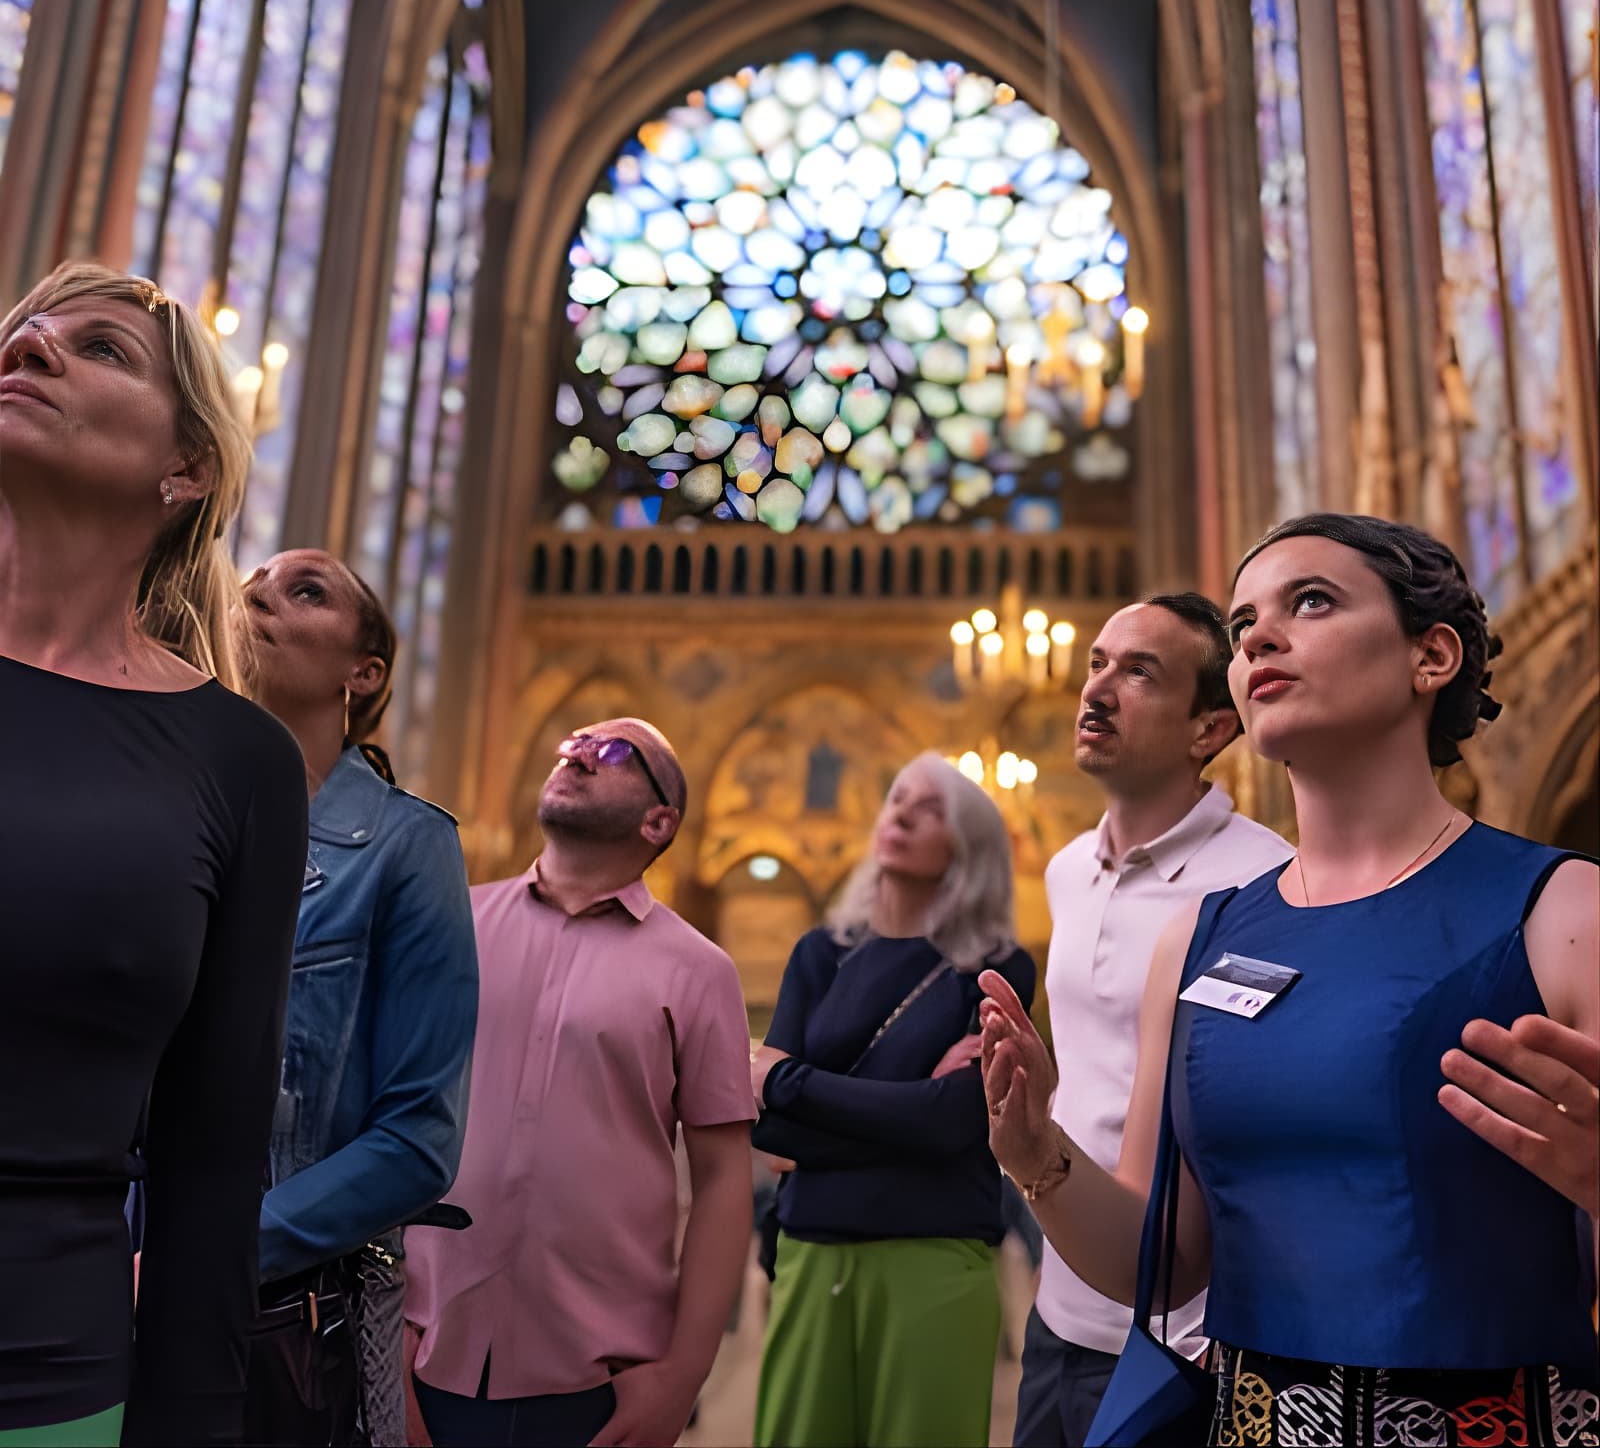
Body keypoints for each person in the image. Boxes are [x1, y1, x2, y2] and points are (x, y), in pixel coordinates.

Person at [982, 515, 1599, 1447]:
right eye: (1241, 627)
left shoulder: (1562, 912)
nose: (1260, 637)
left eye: (1310, 602)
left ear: (1431, 655)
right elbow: (1164, 1262)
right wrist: (1037, 1152)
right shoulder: (1195, 940)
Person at [0, 264, 306, 1445]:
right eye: (27, 330)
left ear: (188, 471)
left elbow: (213, 1155)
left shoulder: (237, 761)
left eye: (103, 348)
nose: (30, 346)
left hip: (42, 1373)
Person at [402, 718, 755, 1448]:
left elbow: (724, 1181)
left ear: (661, 820)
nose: (580, 754)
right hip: (421, 1348)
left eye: (617, 752)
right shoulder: (451, 923)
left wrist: (681, 1374)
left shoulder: (699, 971)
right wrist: (379, 1335)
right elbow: (385, 1118)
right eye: (574, 742)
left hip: (597, 1378)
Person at [1015, 594, 1291, 1447]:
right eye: (1098, 663)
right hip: (1059, 1311)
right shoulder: (1067, 871)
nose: (1098, 689)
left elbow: (1266, 1114)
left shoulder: (1265, 879)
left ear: (1209, 730)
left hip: (1188, 1337)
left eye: (1139, 673)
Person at [238, 550, 479, 1446]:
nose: (259, 592)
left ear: (363, 672)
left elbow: (418, 1142)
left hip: (283, 1311)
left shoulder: (405, 847)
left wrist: (214, 1257)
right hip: (96, 1279)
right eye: (251, 581)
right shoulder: (173, 814)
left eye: (305, 591)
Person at [750, 752, 1037, 1448]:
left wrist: (788, 1084)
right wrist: (914, 1100)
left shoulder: (997, 967)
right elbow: (771, 1139)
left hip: (935, 1257)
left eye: (929, 807)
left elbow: (952, 1125)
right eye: (896, 797)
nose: (901, 812)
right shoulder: (822, 953)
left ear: (967, 846)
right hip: (812, 1250)